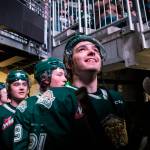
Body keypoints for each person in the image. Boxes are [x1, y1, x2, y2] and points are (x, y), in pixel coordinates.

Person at [13, 35, 128, 150]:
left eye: (95, 50)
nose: (92, 52)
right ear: (69, 63)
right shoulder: (57, 98)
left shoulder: (115, 97)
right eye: (82, 49)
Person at [0, 69, 30, 150]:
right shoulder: (1, 112)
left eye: (24, 84)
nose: (21, 88)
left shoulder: (34, 109)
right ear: (8, 88)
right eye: (16, 84)